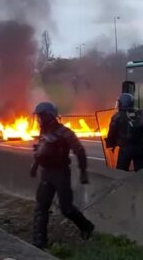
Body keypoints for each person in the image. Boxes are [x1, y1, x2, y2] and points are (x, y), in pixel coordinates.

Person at [29, 101, 94, 249]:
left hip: (61, 174)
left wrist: (83, 172)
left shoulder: (65, 132)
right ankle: (39, 241)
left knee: (67, 209)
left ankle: (87, 227)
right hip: (46, 173)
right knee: (41, 208)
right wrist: (34, 167)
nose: (38, 119)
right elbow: (41, 152)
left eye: (41, 116)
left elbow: (79, 151)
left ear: (49, 116)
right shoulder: (43, 132)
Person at [106, 93, 143, 171]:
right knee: (141, 173)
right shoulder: (140, 113)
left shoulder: (117, 116)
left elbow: (111, 133)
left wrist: (110, 144)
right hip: (141, 148)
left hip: (125, 148)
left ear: (121, 103)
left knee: (120, 172)